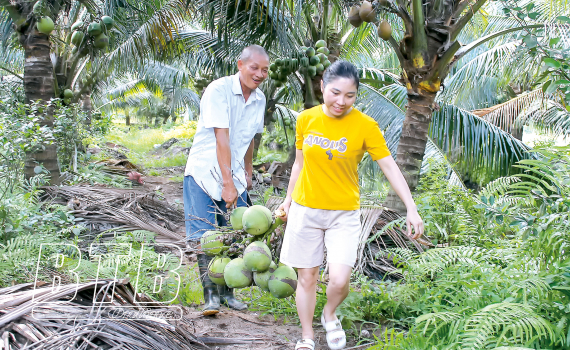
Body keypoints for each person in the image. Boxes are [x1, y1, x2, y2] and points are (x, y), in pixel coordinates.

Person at [278, 61, 424, 350]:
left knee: (340, 280)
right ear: (322, 87)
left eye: (350, 95)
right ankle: (307, 336)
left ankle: (329, 313)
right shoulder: (305, 119)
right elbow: (299, 162)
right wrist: (288, 199)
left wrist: (411, 207)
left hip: (343, 213)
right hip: (305, 210)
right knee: (306, 278)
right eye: (335, 93)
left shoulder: (365, 125)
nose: (341, 102)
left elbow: (390, 168)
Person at [183, 45, 269, 316]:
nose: (259, 74)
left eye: (264, 70)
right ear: (240, 64)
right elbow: (222, 137)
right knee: (206, 237)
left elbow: (250, 138)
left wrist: (248, 171)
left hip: (235, 176)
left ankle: (228, 293)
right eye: (254, 67)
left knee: (234, 234)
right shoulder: (218, 90)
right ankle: (210, 296)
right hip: (205, 172)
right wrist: (227, 182)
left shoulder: (259, 99)